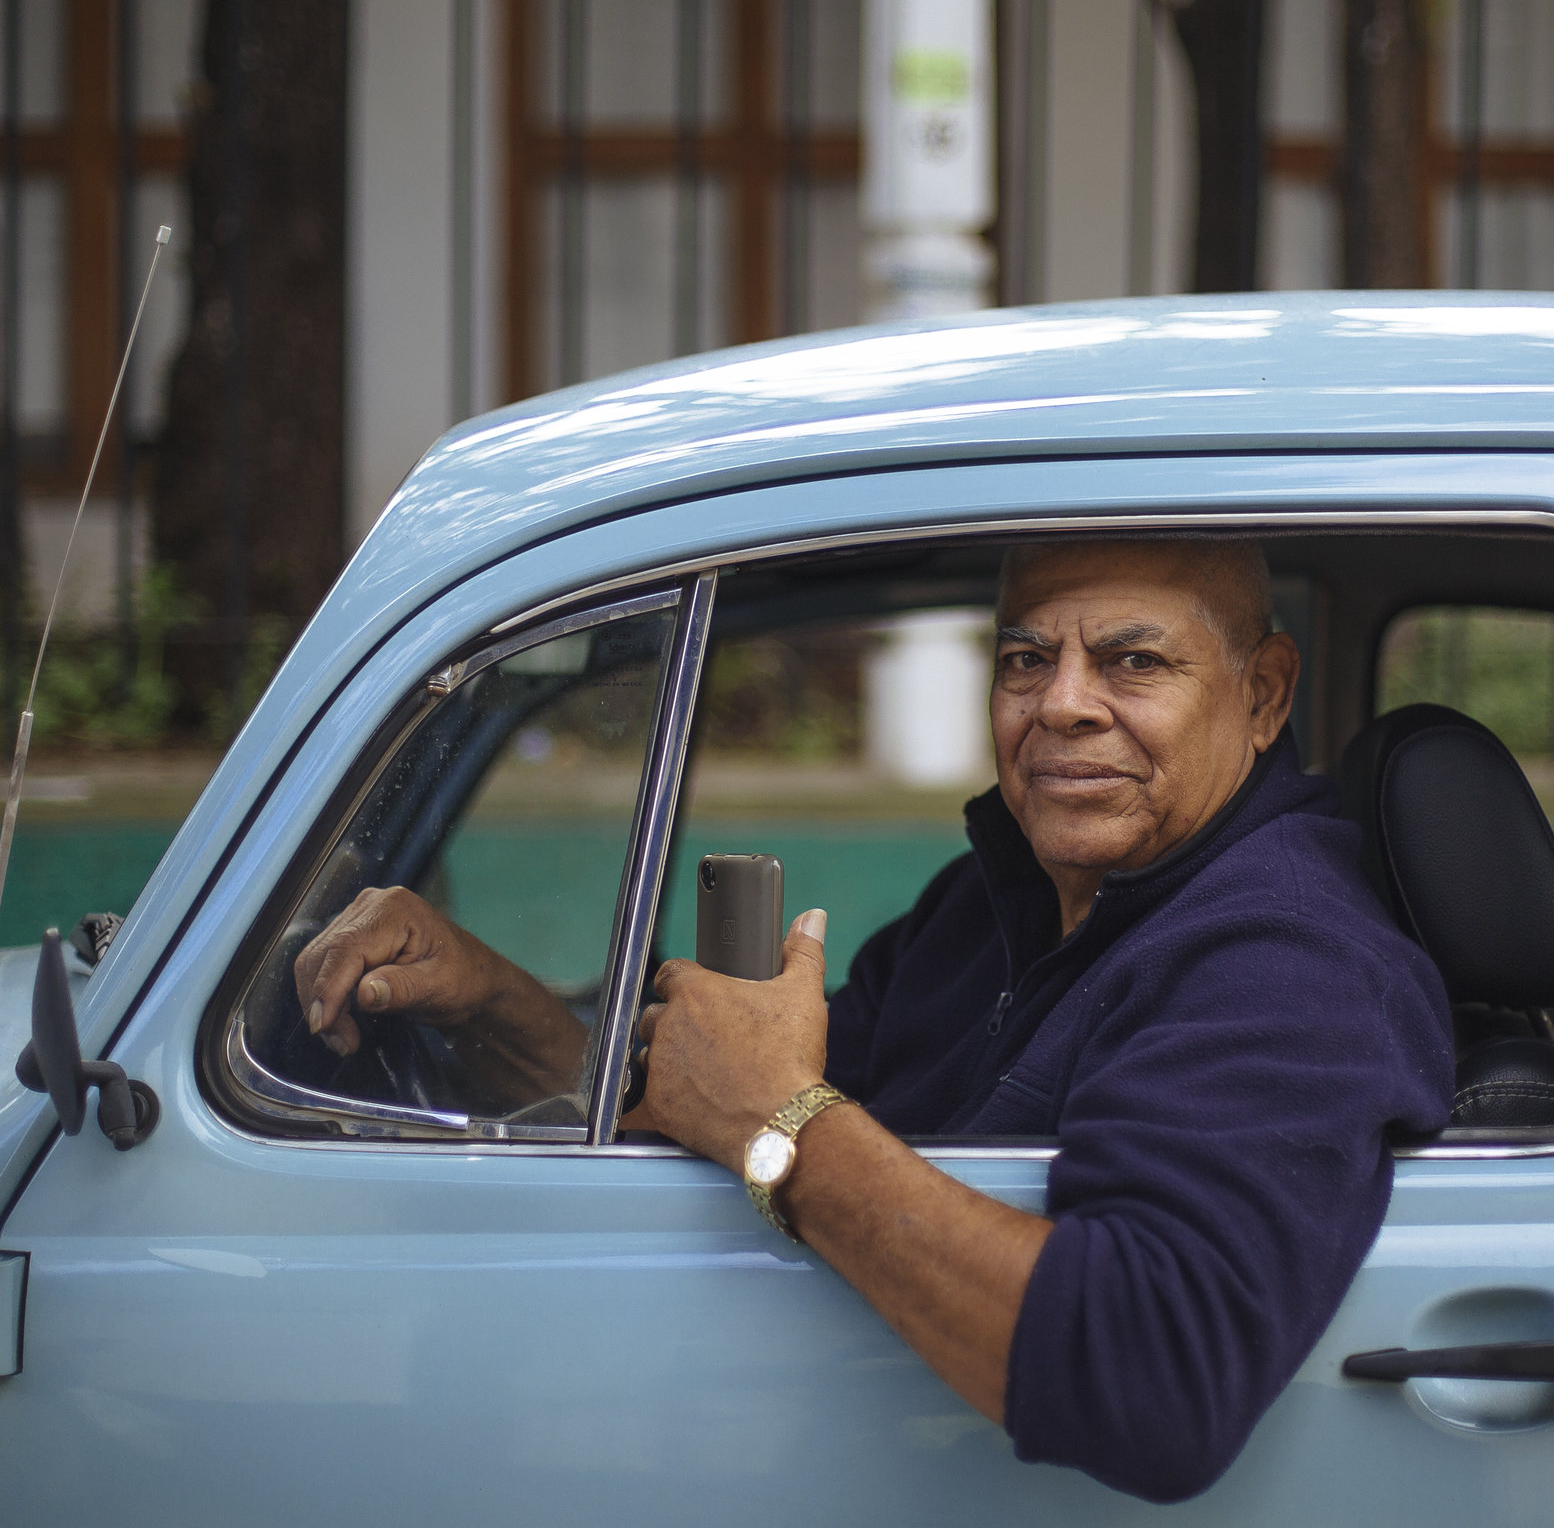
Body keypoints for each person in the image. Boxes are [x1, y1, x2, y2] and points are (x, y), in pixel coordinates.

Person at [295, 538, 1453, 1502]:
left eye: (1133, 661)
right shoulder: (992, 901)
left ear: (1262, 694)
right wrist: (486, 995)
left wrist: (783, 1127)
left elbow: (1151, 1375)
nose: (1061, 703)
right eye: (1024, 658)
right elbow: (713, 1104)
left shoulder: (1288, 957)